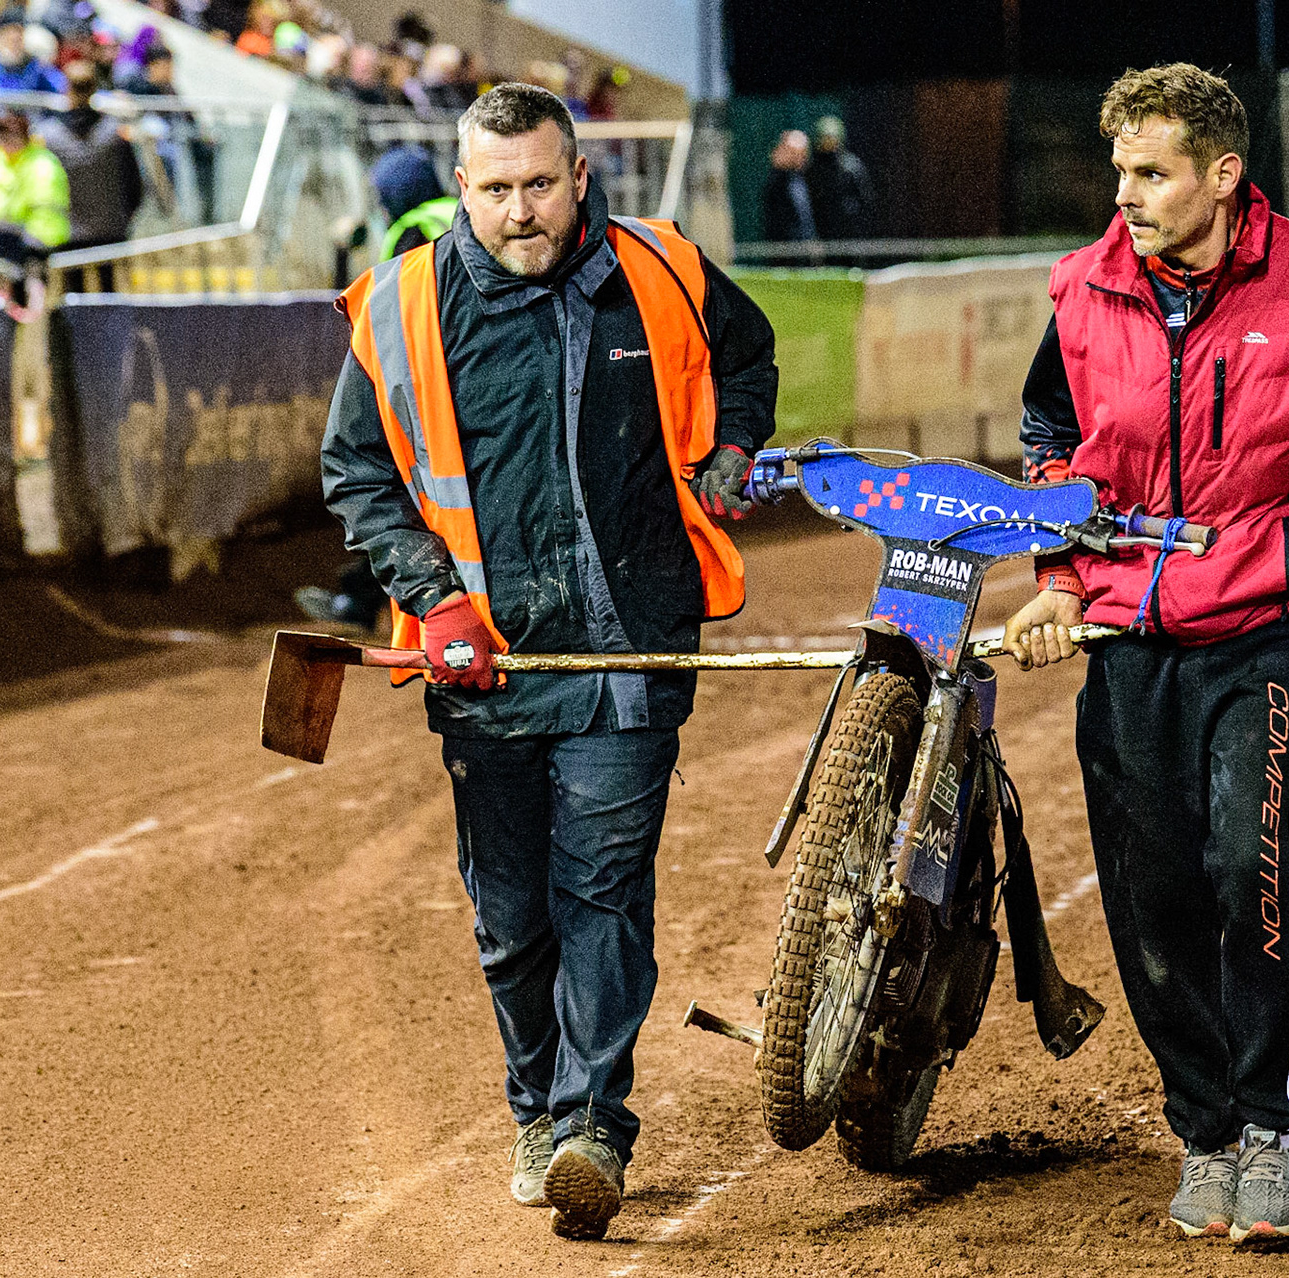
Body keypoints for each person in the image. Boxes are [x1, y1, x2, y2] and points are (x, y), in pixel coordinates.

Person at [1001, 63, 1289, 1244]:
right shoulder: (1081, 288)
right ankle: (1205, 1134)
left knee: (1248, 871)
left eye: (1152, 174)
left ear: (1223, 175)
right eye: (1119, 172)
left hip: (1273, 631)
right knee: (1152, 898)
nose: (1127, 196)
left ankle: (1270, 1130)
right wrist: (1059, 577)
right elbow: (1051, 432)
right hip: (1129, 637)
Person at [320, 83, 777, 1243]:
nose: (519, 211)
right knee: (512, 916)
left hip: (632, 643)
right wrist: (435, 599)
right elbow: (356, 471)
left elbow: (748, 355)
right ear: (459, 189)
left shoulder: (663, 270)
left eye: (538, 184)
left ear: (579, 177)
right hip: (488, 665)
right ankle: (537, 1106)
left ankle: (591, 1127)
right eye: (495, 189)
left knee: (603, 887)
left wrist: (732, 446)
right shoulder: (403, 305)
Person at [297, 145, 455, 630]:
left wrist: (343, 252)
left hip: (428, 391)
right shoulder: (458, 214)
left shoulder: (414, 231)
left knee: (394, 498)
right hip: (456, 384)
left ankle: (363, 602)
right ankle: (360, 599)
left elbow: (388, 316)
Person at [37, 61, 145, 290]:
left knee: (72, 297)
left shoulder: (48, 136)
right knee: (109, 294)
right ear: (95, 88)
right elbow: (134, 183)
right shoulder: (114, 133)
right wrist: (126, 216)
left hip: (67, 230)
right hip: (110, 227)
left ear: (66, 88)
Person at [0, 109, 69, 250]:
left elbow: (46, 221)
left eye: (12, 133)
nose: (5, 140)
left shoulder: (42, 164)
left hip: (36, 246)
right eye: (0, 133)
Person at [806, 114, 874, 241]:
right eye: (825, 138)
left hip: (850, 236)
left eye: (831, 138)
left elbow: (866, 201)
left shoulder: (852, 166)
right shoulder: (812, 168)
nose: (828, 142)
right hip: (822, 235)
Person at [0, 9, 65, 94]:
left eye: (18, 40)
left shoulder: (34, 67)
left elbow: (61, 85)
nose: (14, 47)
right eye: (9, 40)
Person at [760, 128, 815, 242]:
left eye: (802, 153)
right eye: (793, 153)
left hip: (803, 243)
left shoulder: (803, 178)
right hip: (784, 245)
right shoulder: (777, 181)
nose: (800, 157)